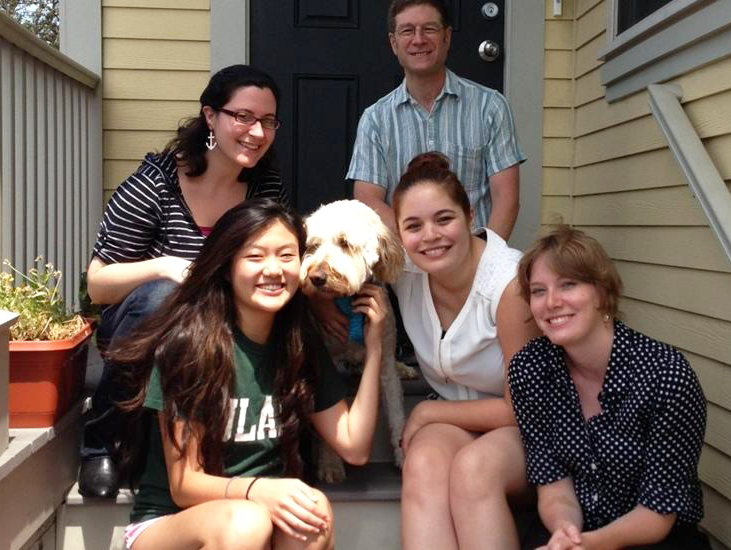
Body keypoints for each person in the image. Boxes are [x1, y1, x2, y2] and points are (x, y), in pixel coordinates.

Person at [112, 199, 387, 550]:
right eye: (255, 257)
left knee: (313, 514)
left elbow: (355, 446)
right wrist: (260, 490)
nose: (273, 269)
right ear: (227, 267)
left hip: (254, 517)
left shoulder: (299, 343)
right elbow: (184, 485)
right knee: (247, 522)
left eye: (287, 256)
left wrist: (375, 347)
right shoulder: (190, 345)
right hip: (171, 525)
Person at [79, 64, 289, 498]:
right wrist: (164, 265)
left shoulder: (265, 186)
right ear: (210, 117)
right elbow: (98, 285)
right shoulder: (155, 184)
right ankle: (103, 443)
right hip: (147, 332)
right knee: (163, 295)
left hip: (221, 329)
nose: (257, 132)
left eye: (268, 121)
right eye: (243, 116)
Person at [508, 226, 710, 550]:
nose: (552, 302)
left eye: (568, 284)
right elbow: (554, 486)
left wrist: (589, 544)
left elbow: (657, 513)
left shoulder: (666, 376)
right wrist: (566, 534)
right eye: (538, 291)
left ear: (602, 292)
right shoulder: (531, 369)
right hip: (575, 529)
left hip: (653, 537)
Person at [391, 152, 540, 549]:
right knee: (422, 463)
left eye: (444, 219)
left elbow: (521, 408)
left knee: (475, 469)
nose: (431, 237)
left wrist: (426, 410)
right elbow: (334, 265)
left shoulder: (509, 284)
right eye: (413, 226)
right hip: (460, 420)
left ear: (470, 216)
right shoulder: (404, 271)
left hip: (527, 428)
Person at [347, 0, 525, 240]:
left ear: (447, 37)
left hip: (473, 259)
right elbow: (368, 198)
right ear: (393, 43)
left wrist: (486, 260)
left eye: (429, 29)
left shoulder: (490, 107)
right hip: (406, 260)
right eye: (407, 30)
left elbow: (507, 198)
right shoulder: (375, 119)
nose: (418, 39)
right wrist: (418, 247)